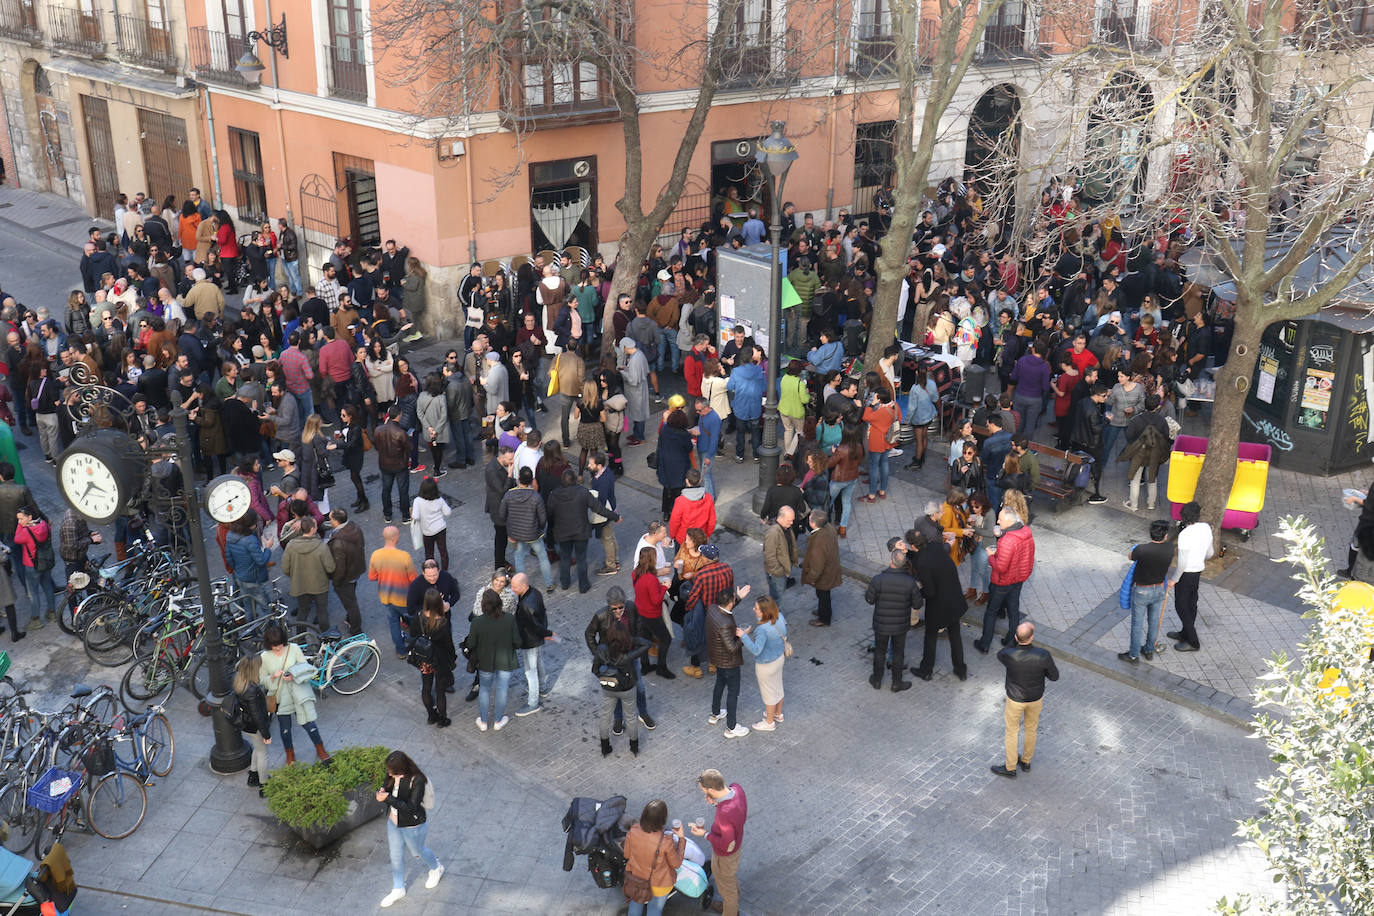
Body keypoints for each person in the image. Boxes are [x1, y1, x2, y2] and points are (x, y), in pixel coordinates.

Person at [376, 750, 444, 908]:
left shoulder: (417, 780)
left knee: (418, 851)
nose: (389, 774)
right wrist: (382, 791)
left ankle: (436, 868)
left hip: (412, 825)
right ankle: (398, 888)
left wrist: (388, 798)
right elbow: (386, 786)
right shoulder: (391, 774)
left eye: (392, 771)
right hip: (393, 823)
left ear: (401, 769)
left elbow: (412, 808)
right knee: (395, 857)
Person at [992, 622, 1059, 778]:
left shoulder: (1009, 654)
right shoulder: (1043, 655)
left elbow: (1001, 653)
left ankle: (1010, 767)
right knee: (1031, 729)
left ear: (1016, 637)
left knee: (1012, 731)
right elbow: (1054, 677)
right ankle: (1026, 761)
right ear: (1032, 637)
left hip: (1015, 699)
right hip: (1035, 698)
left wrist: (1015, 640)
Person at [586, 586, 656, 737]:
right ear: (609, 606)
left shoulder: (631, 608)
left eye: (620, 607)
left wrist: (635, 644)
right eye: (614, 608)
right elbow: (589, 634)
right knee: (615, 690)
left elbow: (637, 624)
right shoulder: (601, 616)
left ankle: (643, 713)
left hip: (630, 656)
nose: (618, 611)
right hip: (611, 659)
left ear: (624, 603)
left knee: (640, 687)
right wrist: (599, 654)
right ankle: (618, 719)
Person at [260, 622, 329, 764]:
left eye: (280, 644)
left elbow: (305, 668)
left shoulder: (294, 648)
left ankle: (320, 748)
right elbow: (262, 679)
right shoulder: (264, 657)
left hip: (298, 693)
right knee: (285, 729)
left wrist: (293, 676)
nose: (278, 648)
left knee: (309, 723)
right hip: (280, 697)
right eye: (274, 646)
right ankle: (289, 754)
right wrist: (273, 676)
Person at [974, 506, 1035, 654]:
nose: (998, 521)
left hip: (1002, 583)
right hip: (1018, 580)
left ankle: (985, 644)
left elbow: (1001, 567)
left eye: (1000, 519)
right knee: (1013, 610)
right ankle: (1011, 640)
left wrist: (991, 555)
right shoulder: (1026, 532)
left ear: (1009, 521)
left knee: (991, 612)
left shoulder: (1007, 540)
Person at [910, 531, 969, 681]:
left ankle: (926, 670)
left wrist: (918, 589)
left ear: (912, 545)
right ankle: (960, 669)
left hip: (938, 606)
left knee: (930, 636)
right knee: (955, 635)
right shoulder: (936, 546)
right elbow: (940, 552)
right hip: (954, 599)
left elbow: (929, 592)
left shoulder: (921, 562)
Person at [691, 769, 747, 916]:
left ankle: (731, 911)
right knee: (729, 878)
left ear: (711, 789)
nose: (704, 795)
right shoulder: (737, 789)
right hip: (735, 850)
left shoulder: (724, 814)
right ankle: (731, 903)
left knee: (727, 888)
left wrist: (705, 834)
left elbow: (727, 845)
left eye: (704, 791)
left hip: (725, 856)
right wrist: (716, 803)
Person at [865, 548, 923, 692]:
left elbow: (870, 600)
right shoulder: (910, 583)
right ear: (904, 564)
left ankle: (877, 680)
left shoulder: (878, 579)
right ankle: (896, 683)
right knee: (898, 653)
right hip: (900, 625)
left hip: (881, 624)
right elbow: (918, 604)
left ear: (891, 560)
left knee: (879, 652)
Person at [1119, 519, 1174, 664]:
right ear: (1165, 535)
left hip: (1142, 591)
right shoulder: (1170, 548)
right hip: (1159, 590)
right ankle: (1149, 650)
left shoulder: (1142, 549)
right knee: (1154, 622)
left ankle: (1133, 655)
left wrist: (1135, 548)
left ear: (1151, 534)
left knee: (1137, 624)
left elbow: (1130, 556)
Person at [468, 587, 521, 731]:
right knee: (502, 689)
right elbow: (518, 642)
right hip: (505, 661)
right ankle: (498, 720)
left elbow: (471, 643)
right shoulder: (509, 619)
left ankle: (484, 722)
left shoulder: (477, 622)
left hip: (485, 662)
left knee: (484, 689)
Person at [621, 800, 686, 916]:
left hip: (637, 880)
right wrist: (681, 839)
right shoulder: (666, 840)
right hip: (660, 883)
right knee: (654, 911)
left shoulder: (633, 831)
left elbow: (627, 854)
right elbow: (676, 863)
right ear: (662, 819)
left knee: (635, 904)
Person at [706, 585, 750, 738]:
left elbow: (726, 608)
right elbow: (732, 647)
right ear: (730, 602)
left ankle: (715, 713)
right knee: (733, 693)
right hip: (729, 662)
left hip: (717, 659)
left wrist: (738, 598)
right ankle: (731, 727)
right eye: (733, 598)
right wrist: (743, 636)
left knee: (719, 683)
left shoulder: (712, 609)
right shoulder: (725, 623)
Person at [737, 596, 787, 731]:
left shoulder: (762, 630)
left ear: (764, 611)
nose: (754, 610)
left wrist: (743, 636)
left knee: (769, 693)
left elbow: (756, 650)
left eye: (757, 609)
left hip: (766, 665)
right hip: (779, 658)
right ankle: (778, 714)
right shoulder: (780, 617)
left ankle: (769, 722)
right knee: (778, 686)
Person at [500, 467, 554, 591]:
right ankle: (549, 584)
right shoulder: (536, 497)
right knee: (542, 557)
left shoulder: (509, 495)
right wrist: (539, 529)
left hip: (516, 534)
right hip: (533, 534)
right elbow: (542, 518)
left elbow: (502, 515)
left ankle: (522, 585)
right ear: (531, 480)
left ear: (518, 478)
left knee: (519, 557)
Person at [369, 525, 418, 659]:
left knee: (394, 624)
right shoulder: (404, 557)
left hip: (386, 597)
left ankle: (401, 652)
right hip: (404, 599)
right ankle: (418, 647)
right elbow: (413, 579)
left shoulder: (375, 555)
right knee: (416, 623)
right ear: (396, 537)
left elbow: (372, 577)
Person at [1168, 501, 1212, 652]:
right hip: (1197, 571)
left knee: (1181, 606)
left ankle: (1193, 641)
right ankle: (1185, 632)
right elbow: (1210, 553)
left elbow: (1182, 562)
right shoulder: (1206, 528)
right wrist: (1199, 559)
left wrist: (1174, 579)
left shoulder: (1184, 535)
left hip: (1185, 574)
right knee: (1191, 603)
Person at [411, 588, 457, 726]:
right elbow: (448, 644)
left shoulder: (418, 616)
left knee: (426, 687)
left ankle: (431, 715)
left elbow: (413, 634)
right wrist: (453, 657)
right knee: (440, 691)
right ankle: (442, 719)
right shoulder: (442, 622)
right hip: (439, 660)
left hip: (425, 659)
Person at [511, 572, 556, 714]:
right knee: (538, 662)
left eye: (514, 587)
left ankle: (533, 702)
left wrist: (547, 633)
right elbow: (542, 615)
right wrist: (546, 632)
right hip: (536, 639)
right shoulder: (535, 592)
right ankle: (543, 688)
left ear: (523, 586)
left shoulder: (525, 605)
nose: (512, 590)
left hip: (529, 640)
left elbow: (534, 625)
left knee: (530, 671)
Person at [280, 515, 335, 630]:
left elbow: (285, 568)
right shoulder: (321, 546)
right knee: (322, 612)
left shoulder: (291, 546)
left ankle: (301, 639)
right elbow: (330, 568)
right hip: (320, 585)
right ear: (312, 529)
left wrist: (295, 575)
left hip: (300, 585)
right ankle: (326, 639)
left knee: (302, 611)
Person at [232, 655, 274, 796]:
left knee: (257, 748)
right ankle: (264, 785)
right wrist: (266, 734)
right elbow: (257, 716)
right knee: (263, 753)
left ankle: (253, 775)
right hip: (255, 726)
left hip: (246, 725)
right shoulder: (252, 690)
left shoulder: (240, 681)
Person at [632, 547, 673, 678]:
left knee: (645, 639)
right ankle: (661, 667)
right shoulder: (651, 579)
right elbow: (656, 600)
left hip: (640, 611)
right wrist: (664, 587)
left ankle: (645, 665)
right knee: (665, 639)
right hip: (652, 615)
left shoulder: (636, 572)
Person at [12, 506, 54, 629]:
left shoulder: (26, 531)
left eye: (21, 519)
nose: (19, 522)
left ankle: (36, 619)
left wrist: (20, 526)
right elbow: (49, 532)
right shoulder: (43, 524)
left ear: (30, 517)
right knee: (48, 587)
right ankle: (52, 613)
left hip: (31, 565)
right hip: (46, 562)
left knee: (33, 593)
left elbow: (16, 539)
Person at [801, 509, 840, 626]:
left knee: (823, 596)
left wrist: (811, 578)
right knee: (823, 595)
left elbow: (818, 565)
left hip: (824, 574)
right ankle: (823, 612)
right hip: (831, 568)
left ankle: (824, 619)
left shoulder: (819, 540)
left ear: (813, 523)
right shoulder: (829, 527)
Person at [374, 406, 413, 524]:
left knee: (386, 489)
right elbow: (409, 448)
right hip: (400, 465)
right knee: (403, 491)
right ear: (399, 416)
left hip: (385, 464)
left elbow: (377, 446)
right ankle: (405, 515)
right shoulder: (401, 433)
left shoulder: (378, 430)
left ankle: (387, 514)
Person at [410, 476, 453, 570]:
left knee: (429, 553)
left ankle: (431, 572)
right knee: (443, 551)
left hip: (427, 531)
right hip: (441, 529)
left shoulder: (418, 501)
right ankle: (444, 572)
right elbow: (448, 512)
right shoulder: (439, 500)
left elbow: (415, 516)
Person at [669, 467, 716, 546]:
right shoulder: (708, 498)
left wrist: (672, 536)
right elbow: (712, 520)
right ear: (699, 480)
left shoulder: (680, 501)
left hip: (683, 539)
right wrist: (707, 535)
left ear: (687, 480)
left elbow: (674, 521)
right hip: (701, 538)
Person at [762, 505, 798, 603]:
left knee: (777, 595)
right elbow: (769, 556)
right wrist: (779, 571)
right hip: (777, 574)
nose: (792, 523)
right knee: (777, 598)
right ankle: (775, 616)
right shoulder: (773, 533)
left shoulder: (785, 527)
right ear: (781, 518)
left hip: (783, 569)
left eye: (792, 520)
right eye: (789, 520)